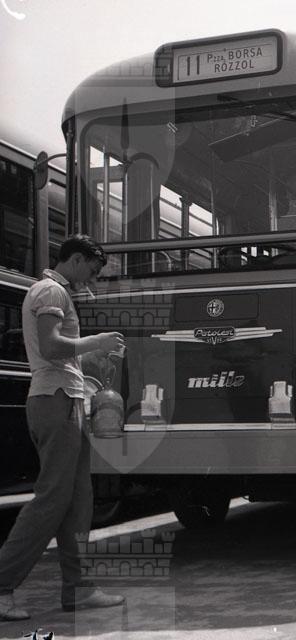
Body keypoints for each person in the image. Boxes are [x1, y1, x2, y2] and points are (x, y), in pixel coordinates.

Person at [0, 235, 126, 621]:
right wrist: (96, 342)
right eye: (92, 270)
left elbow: (59, 353)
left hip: (66, 399)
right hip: (55, 402)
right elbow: (51, 346)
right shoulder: (51, 291)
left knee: (78, 499)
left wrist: (94, 358)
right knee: (53, 497)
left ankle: (79, 589)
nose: (92, 280)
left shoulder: (55, 292)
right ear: (76, 259)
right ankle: (2, 584)